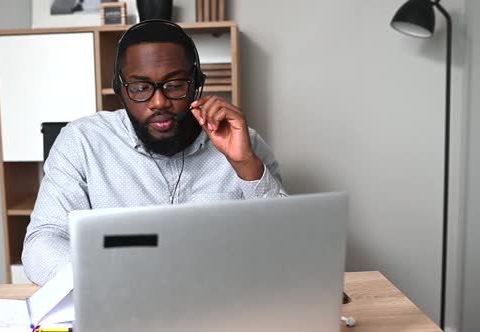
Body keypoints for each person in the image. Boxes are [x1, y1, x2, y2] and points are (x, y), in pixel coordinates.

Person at [22, 20, 287, 285]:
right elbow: (42, 242)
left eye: (174, 85)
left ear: (196, 84)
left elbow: (286, 246)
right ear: (120, 90)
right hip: (117, 300)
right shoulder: (82, 142)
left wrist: (245, 165)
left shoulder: (243, 143)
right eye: (140, 88)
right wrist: (110, 282)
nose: (159, 102)